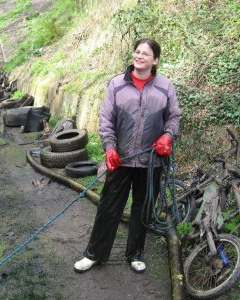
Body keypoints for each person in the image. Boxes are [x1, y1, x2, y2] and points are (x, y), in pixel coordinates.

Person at [74, 38, 180, 273]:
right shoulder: (116, 84)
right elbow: (106, 120)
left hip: (151, 161)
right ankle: (94, 254)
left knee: (143, 209)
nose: (139, 56)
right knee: (108, 207)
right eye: (137, 51)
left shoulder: (165, 86)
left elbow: (173, 117)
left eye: (145, 53)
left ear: (155, 60)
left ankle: (135, 254)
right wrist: (109, 147)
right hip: (120, 159)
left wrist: (168, 136)